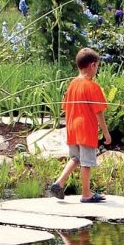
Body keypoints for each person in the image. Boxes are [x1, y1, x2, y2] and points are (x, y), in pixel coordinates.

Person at [47, 47, 111, 203]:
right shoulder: (92, 86)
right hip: (86, 129)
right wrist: (106, 133)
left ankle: (59, 183)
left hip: (72, 128)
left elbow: (65, 107)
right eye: (97, 66)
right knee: (87, 162)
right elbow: (98, 113)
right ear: (92, 65)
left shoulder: (72, 84)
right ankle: (86, 194)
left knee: (76, 158)